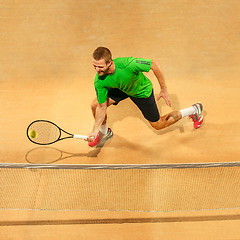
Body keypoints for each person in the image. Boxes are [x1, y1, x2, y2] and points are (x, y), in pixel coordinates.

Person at [87, 47, 203, 147]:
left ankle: (194, 110)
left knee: (158, 124)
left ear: (110, 63)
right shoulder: (99, 80)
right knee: (95, 104)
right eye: (94, 66)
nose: (97, 70)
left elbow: (154, 64)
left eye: (100, 67)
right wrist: (95, 130)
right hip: (122, 88)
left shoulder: (128, 64)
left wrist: (163, 89)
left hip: (141, 92)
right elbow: (102, 107)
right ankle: (104, 132)